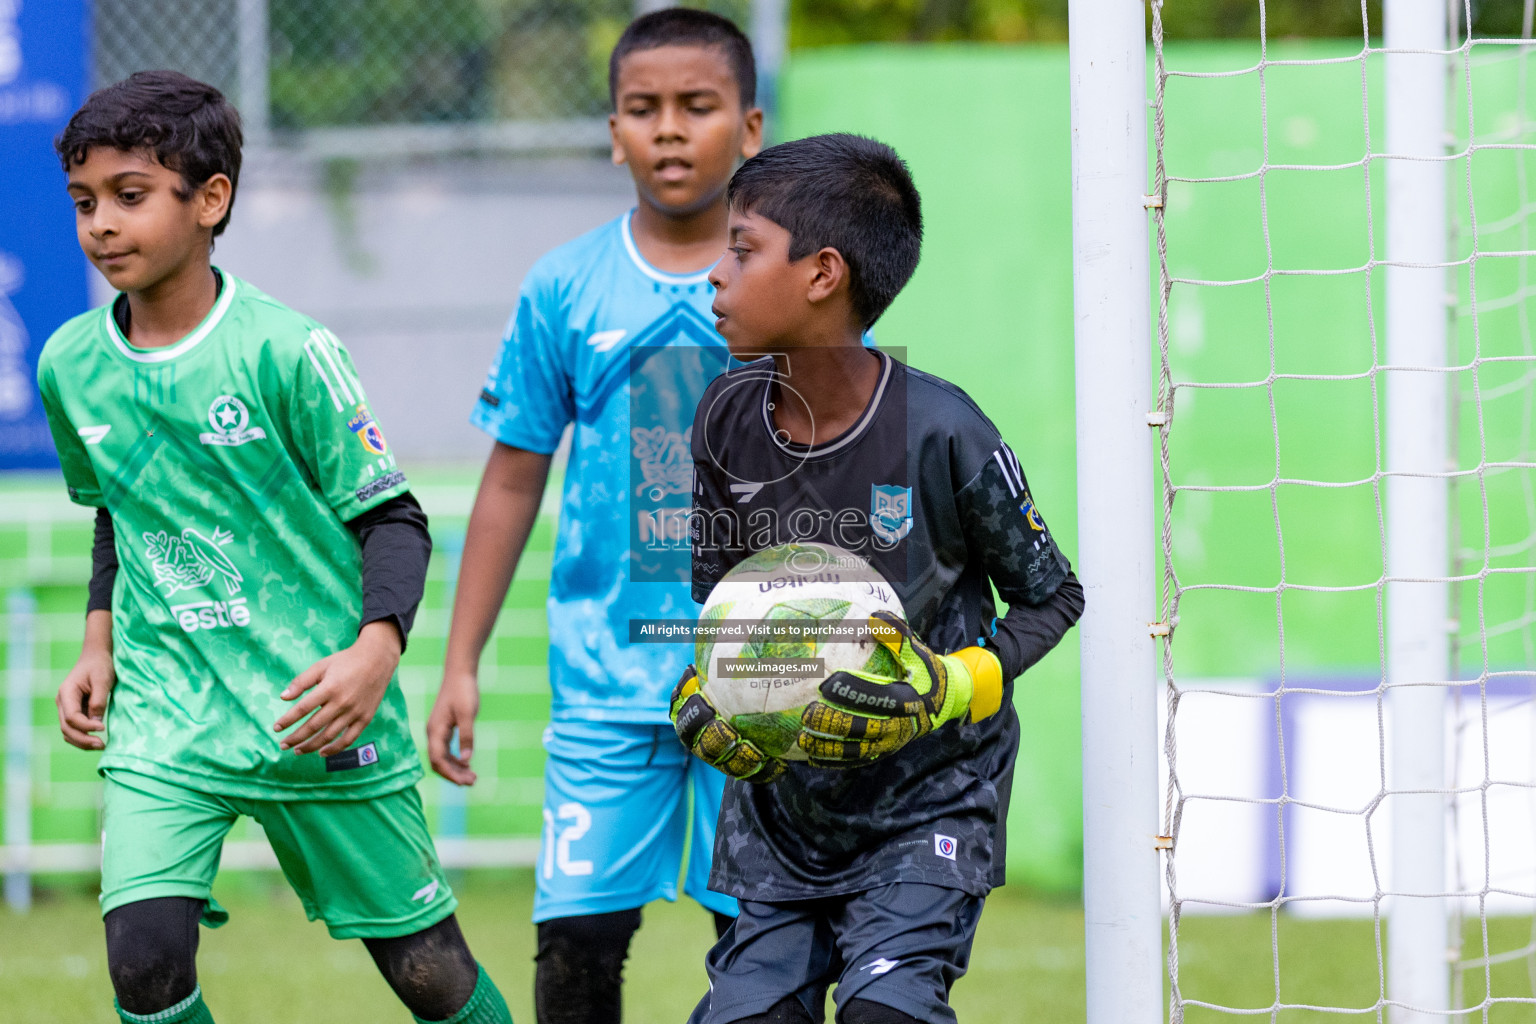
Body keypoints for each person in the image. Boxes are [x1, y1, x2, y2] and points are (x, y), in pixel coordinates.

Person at [38, 71, 513, 1024]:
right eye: (86, 202)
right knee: (144, 962)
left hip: (316, 713)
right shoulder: (70, 365)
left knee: (431, 974)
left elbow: (393, 520)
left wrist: (375, 653)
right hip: (168, 717)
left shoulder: (285, 351)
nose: (102, 224)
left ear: (210, 199)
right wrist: (99, 644)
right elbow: (116, 515)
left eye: (130, 197)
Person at [672, 133, 1088, 1024]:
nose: (716, 273)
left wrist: (955, 682)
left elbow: (1056, 596)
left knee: (884, 1013)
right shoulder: (723, 416)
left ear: (823, 274)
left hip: (929, 803)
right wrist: (726, 688)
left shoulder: (943, 429)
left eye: (742, 249)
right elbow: (715, 593)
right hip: (782, 818)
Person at [425, 9, 761, 1023]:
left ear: (749, 127)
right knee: (575, 951)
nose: (668, 130)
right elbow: (514, 478)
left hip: (765, 677)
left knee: (765, 945)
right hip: (606, 684)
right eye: (642, 109)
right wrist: (460, 661)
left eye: (696, 107)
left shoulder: (793, 277)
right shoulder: (564, 286)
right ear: (612, 131)